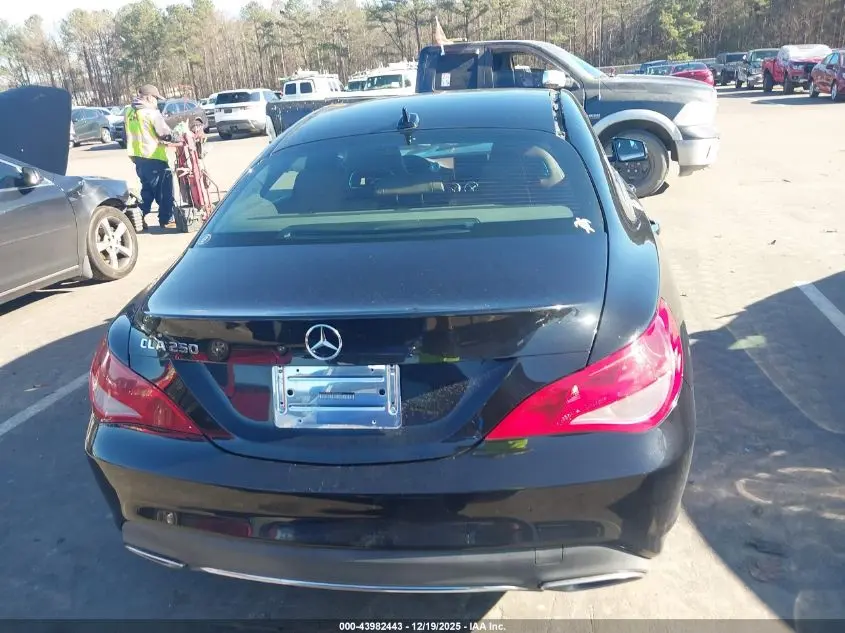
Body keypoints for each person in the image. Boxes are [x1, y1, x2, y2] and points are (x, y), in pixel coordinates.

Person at [124, 84, 175, 229]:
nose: (156, 101)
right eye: (155, 98)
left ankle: (137, 215)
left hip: (138, 157)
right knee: (164, 190)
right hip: (154, 156)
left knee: (148, 190)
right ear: (149, 97)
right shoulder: (151, 113)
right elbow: (164, 133)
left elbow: (127, 134)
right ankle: (167, 219)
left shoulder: (129, 112)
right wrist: (175, 136)